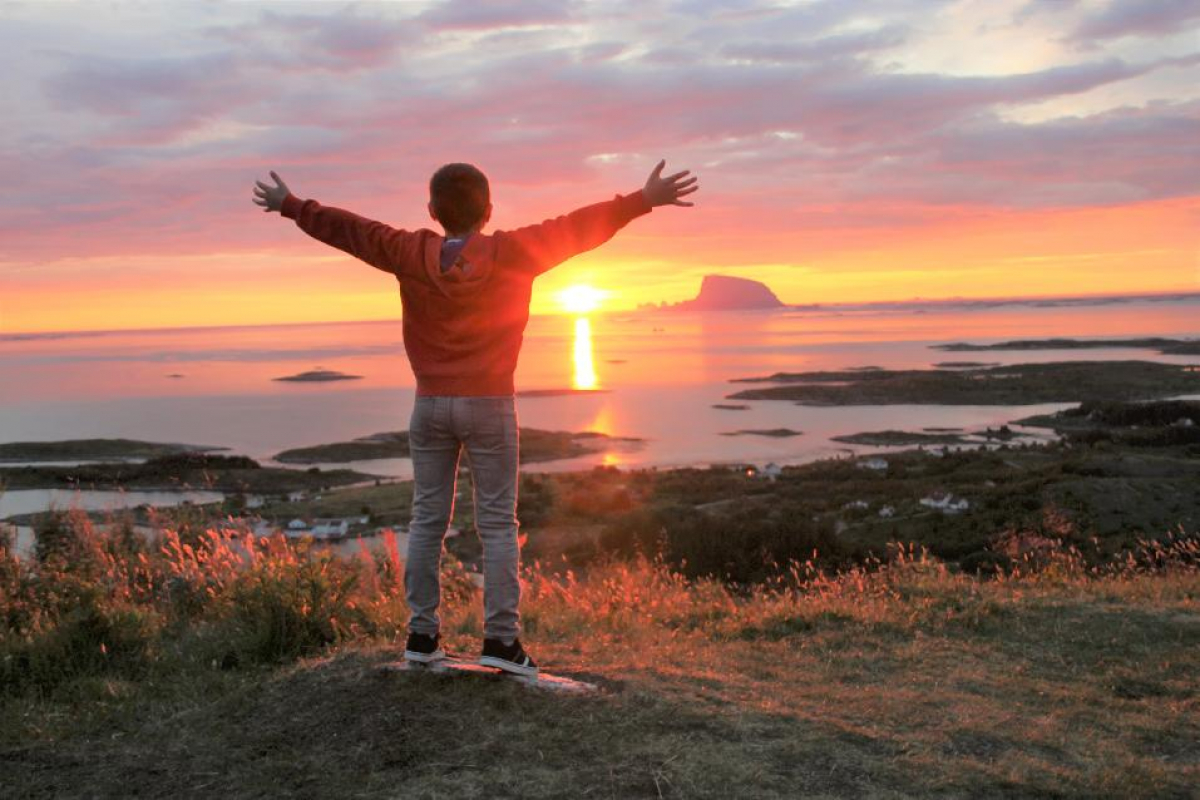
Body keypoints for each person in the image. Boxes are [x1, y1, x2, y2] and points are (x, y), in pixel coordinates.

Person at [252, 160, 698, 676]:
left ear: (432, 211)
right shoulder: (512, 252)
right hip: (489, 405)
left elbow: (351, 231)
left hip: (429, 404)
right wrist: (642, 200)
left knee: (426, 521)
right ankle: (501, 643)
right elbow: (576, 229)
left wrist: (290, 205)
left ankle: (422, 636)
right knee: (497, 526)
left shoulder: (408, 252)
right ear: (489, 211)